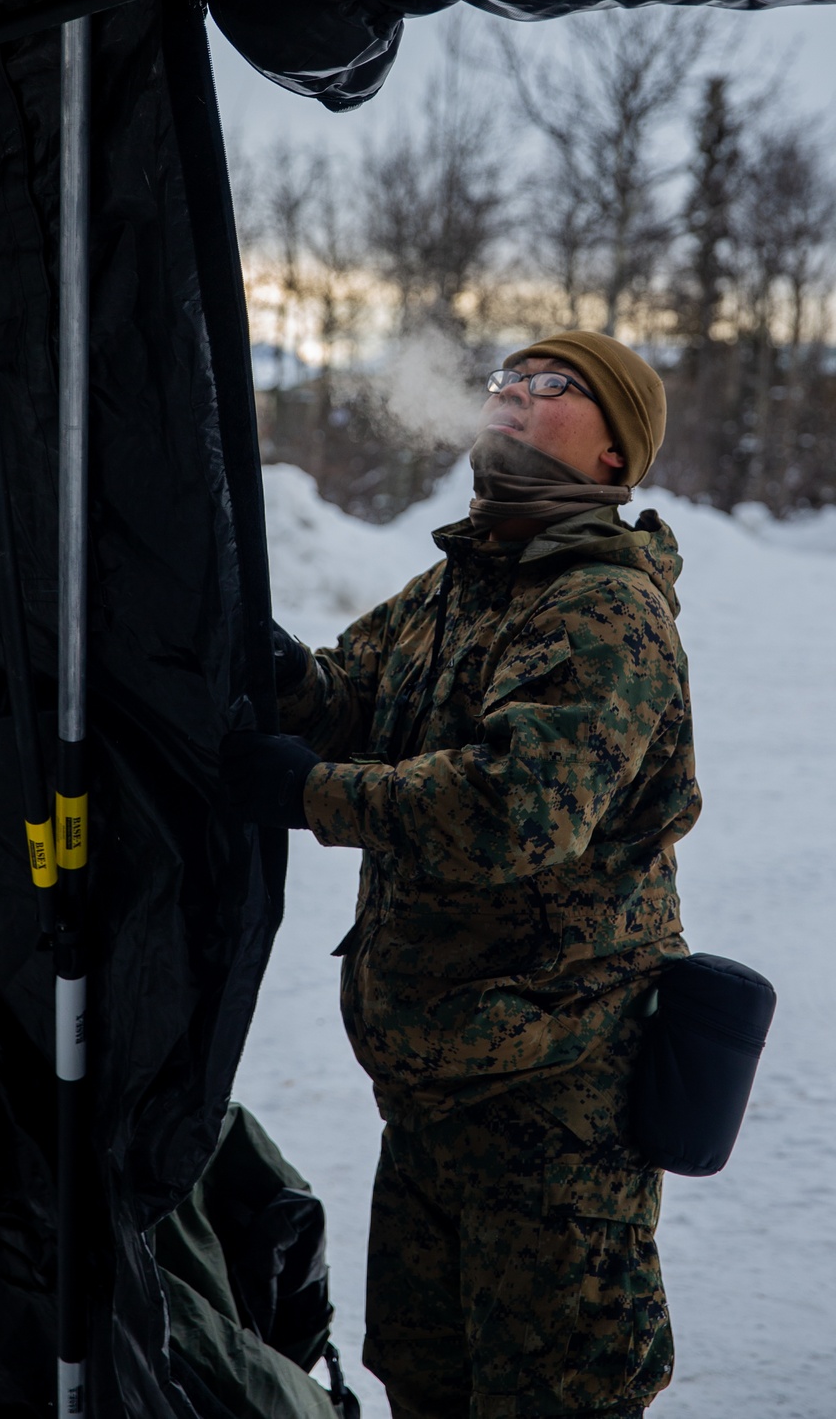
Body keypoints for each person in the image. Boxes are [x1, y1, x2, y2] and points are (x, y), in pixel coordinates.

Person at [220, 330, 701, 1419]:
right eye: (506, 380)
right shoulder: (458, 582)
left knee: (547, 1396)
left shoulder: (602, 609)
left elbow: (514, 810)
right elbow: (350, 695)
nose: (514, 396)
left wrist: (312, 793)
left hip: (550, 1107)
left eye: (553, 386)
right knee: (426, 1382)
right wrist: (277, 667)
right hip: (434, 1091)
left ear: (614, 457)